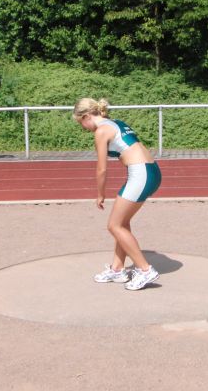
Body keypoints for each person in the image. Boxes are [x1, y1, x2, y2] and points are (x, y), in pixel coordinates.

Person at [73, 98, 162, 291]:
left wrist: (100, 194)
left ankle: (145, 270)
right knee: (122, 223)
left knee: (114, 225)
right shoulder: (116, 123)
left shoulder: (101, 131)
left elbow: (101, 169)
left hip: (141, 173)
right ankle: (117, 269)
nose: (83, 128)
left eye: (81, 123)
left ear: (86, 116)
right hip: (151, 170)